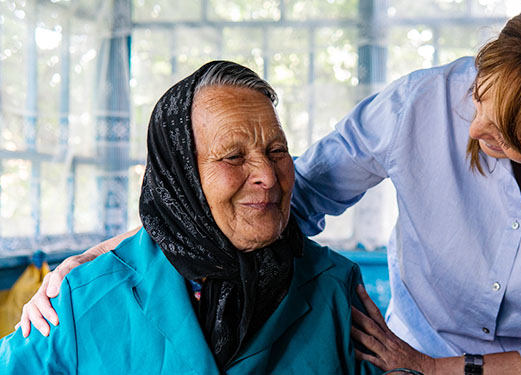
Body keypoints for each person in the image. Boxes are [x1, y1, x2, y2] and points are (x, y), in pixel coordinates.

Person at [18, 0, 521, 374]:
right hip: (412, 348)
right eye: (483, 90)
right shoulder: (427, 104)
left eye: (507, 127)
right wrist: (128, 249)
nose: (475, 121)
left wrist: (442, 372)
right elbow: (284, 194)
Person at [1, 61, 380, 375]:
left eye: (277, 150)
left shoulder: (336, 289)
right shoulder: (81, 298)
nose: (267, 174)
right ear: (180, 177)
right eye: (233, 157)